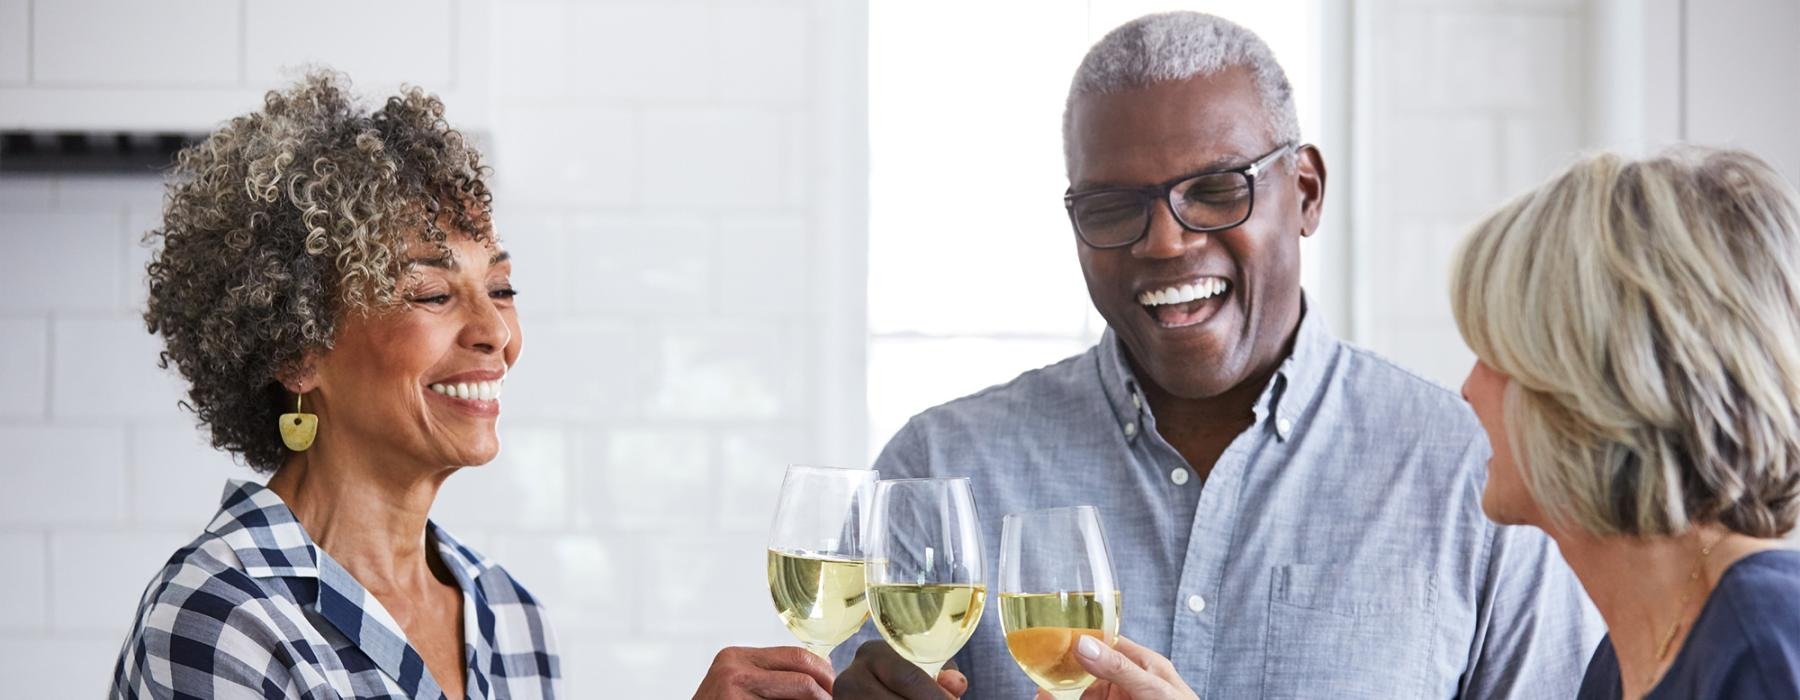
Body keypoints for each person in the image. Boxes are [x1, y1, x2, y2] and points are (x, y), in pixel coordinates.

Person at [697, 11, 1598, 700]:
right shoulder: (945, 467)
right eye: (1114, 208)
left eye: (1216, 192)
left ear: (1307, 192)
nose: (1166, 243)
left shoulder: (1470, 473)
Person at [110, 71, 558, 698]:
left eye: (501, 289)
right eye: (431, 294)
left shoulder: (512, 619)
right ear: (296, 350)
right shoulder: (225, 618)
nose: (494, 332)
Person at [1451, 147, 1800, 700]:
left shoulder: (1765, 639)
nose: (1468, 389)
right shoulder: (1619, 662)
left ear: (1589, 384)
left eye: (1495, 355)